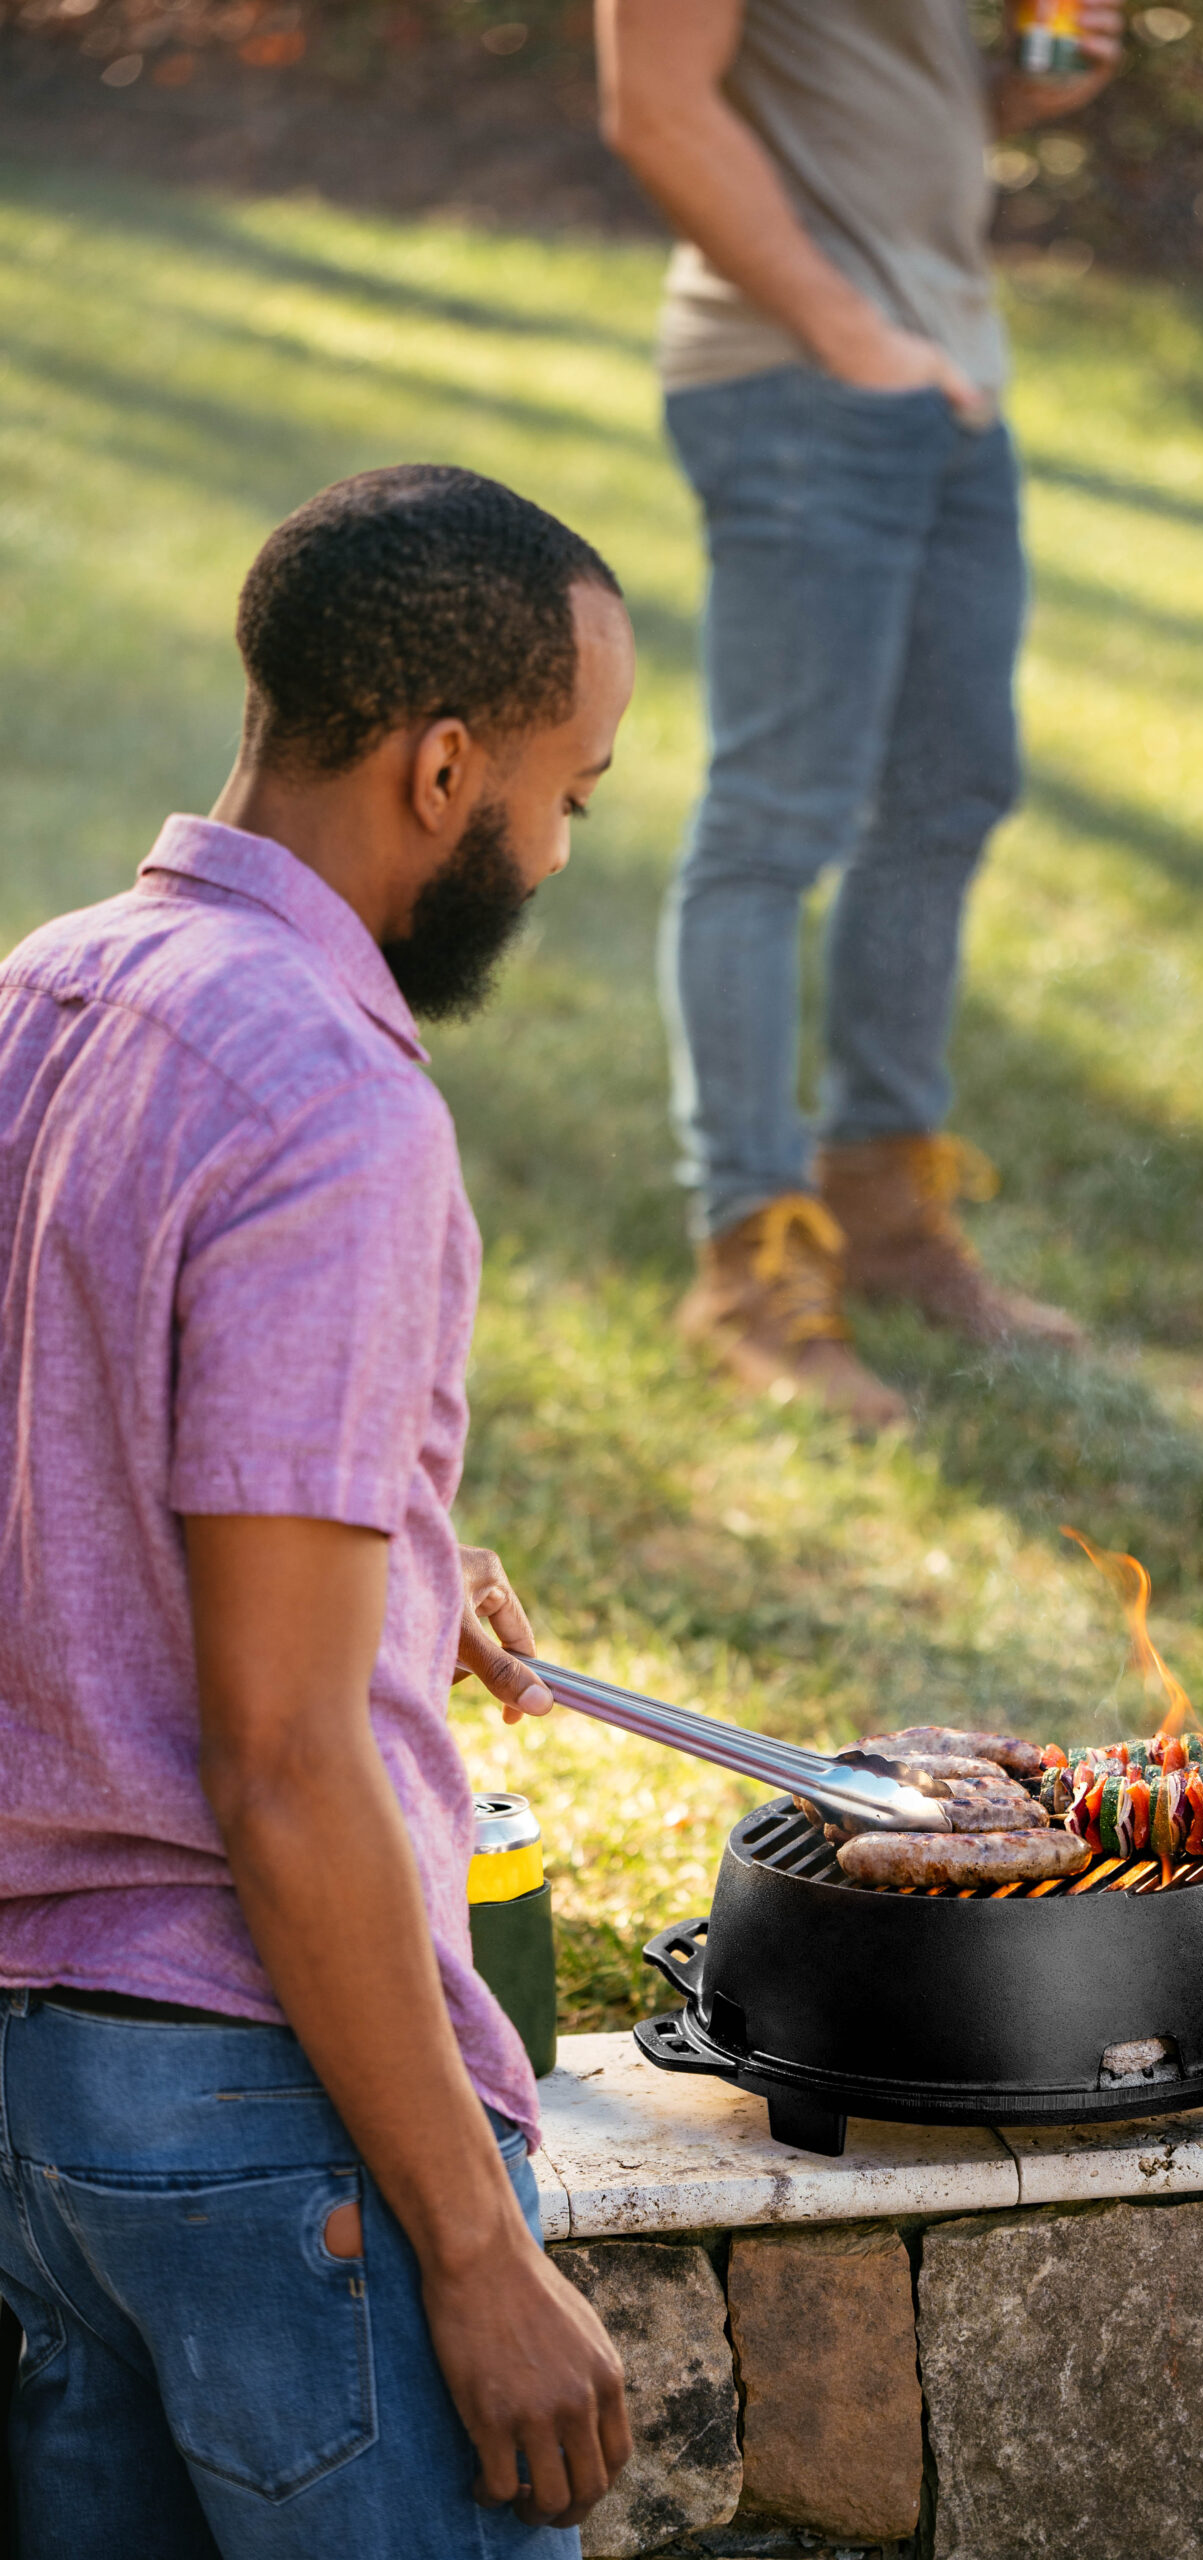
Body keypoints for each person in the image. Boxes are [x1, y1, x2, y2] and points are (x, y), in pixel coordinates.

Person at [0, 466, 637, 2557]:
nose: (554, 847)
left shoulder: (46, 997)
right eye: (566, 792)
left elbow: (69, 1468)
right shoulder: (336, 1106)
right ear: (443, 765)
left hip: (36, 2121)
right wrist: (472, 2245)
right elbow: (280, 1759)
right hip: (270, 2130)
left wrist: (381, 1566)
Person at [597, 0, 1122, 1428]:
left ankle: (885, 1212)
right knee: (776, 822)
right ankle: (751, 1258)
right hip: (800, 377)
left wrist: (1017, 95)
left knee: (950, 796)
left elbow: (863, 92)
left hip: (951, 376)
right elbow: (653, 103)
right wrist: (846, 330)